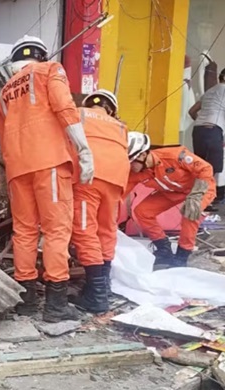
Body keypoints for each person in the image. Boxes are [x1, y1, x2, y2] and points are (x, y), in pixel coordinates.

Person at [0, 35, 95, 323]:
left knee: (25, 232)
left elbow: (2, 140)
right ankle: (55, 305)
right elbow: (64, 107)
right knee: (55, 231)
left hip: (18, 169)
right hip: (49, 162)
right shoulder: (51, 70)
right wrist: (83, 149)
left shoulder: (5, 91)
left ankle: (26, 301)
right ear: (41, 55)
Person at [71, 89, 130, 314]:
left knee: (86, 231)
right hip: (116, 180)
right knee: (107, 230)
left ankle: (96, 296)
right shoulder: (122, 126)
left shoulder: (79, 114)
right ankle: (102, 287)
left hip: (89, 177)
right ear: (112, 109)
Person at [126, 132, 216, 269]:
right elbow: (120, 192)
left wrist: (197, 194)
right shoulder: (137, 172)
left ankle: (182, 255)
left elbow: (205, 168)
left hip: (200, 188)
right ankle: (163, 248)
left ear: (143, 155)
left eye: (131, 161)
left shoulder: (175, 156)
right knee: (142, 211)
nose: (130, 166)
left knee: (190, 212)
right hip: (171, 192)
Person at [189, 68, 225, 205]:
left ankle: (198, 199)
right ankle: (206, 201)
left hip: (198, 130)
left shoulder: (209, 91)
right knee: (212, 168)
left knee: (201, 166)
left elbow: (192, 111)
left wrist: (203, 123)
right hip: (213, 130)